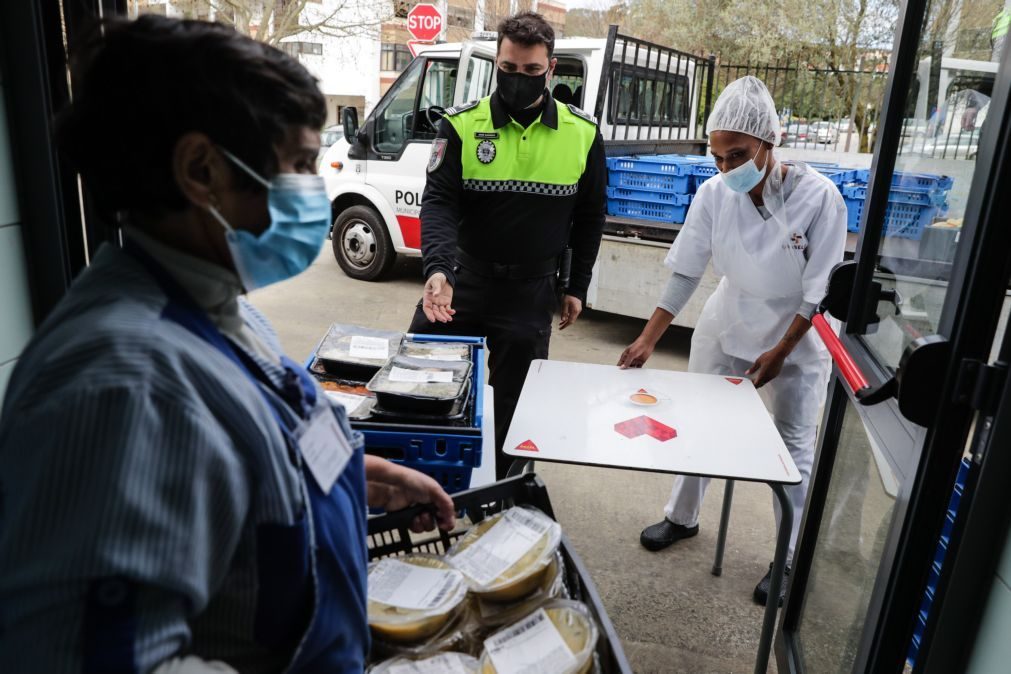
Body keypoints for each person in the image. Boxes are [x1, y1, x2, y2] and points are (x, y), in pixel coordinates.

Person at [0, 16, 455, 673]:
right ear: (201, 170)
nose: (315, 191)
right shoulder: (122, 384)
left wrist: (353, 483)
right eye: (299, 165)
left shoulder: (222, 312)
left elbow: (229, 463)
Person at [618, 76, 847, 606]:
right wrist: (649, 338)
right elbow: (687, 271)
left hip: (798, 331)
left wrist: (782, 351)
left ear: (769, 140)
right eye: (718, 157)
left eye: (737, 154)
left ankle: (788, 557)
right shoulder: (714, 193)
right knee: (703, 420)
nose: (726, 168)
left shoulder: (820, 199)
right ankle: (683, 516)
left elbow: (819, 293)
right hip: (729, 318)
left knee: (791, 446)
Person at [409, 11, 607, 478]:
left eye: (532, 71)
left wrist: (575, 285)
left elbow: (590, 215)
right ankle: (431, 482)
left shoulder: (582, 134)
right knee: (424, 384)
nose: (519, 79)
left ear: (551, 68)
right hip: (463, 284)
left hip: (530, 293)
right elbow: (438, 203)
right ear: (497, 62)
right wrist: (437, 269)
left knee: (514, 409)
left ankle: (496, 494)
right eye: (509, 69)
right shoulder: (459, 126)